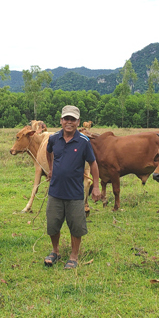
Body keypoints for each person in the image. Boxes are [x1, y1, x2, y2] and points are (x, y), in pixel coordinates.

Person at [44, 105, 102, 269]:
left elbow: (93, 163)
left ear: (78, 122)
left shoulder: (83, 142)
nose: (69, 122)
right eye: (66, 119)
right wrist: (50, 169)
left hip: (75, 193)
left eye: (72, 119)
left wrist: (96, 186)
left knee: (76, 225)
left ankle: (74, 256)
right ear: (61, 120)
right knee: (52, 223)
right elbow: (49, 152)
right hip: (55, 191)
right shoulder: (54, 138)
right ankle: (55, 251)